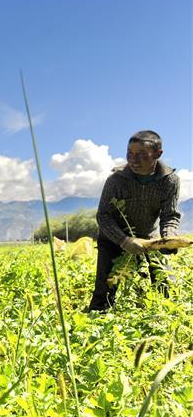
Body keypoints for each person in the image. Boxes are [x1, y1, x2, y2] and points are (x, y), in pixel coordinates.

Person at [87, 130, 181, 312]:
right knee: (105, 290)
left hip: (148, 239)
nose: (133, 160)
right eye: (129, 153)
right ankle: (96, 320)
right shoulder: (116, 180)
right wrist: (124, 240)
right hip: (113, 240)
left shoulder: (170, 181)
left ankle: (164, 319)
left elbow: (169, 215)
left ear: (158, 154)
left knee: (165, 283)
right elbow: (103, 216)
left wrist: (169, 236)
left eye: (141, 155)